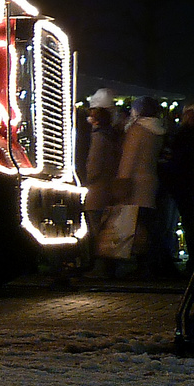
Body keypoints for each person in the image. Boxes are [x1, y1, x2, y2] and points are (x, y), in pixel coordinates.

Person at [112, 96, 169, 277]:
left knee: (137, 225)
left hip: (136, 184)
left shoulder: (137, 130)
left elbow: (129, 159)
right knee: (149, 224)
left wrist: (121, 182)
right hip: (151, 182)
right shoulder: (158, 130)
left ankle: (141, 264)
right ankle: (153, 264)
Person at [162, 100, 194, 268]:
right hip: (188, 186)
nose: (191, 116)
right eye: (188, 112)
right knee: (192, 225)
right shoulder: (188, 134)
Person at [80, 93, 121, 280]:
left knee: (97, 231)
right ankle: (110, 267)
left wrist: (86, 179)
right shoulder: (113, 136)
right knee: (107, 229)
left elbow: (94, 166)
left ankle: (101, 268)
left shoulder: (98, 137)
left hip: (96, 190)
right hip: (109, 188)